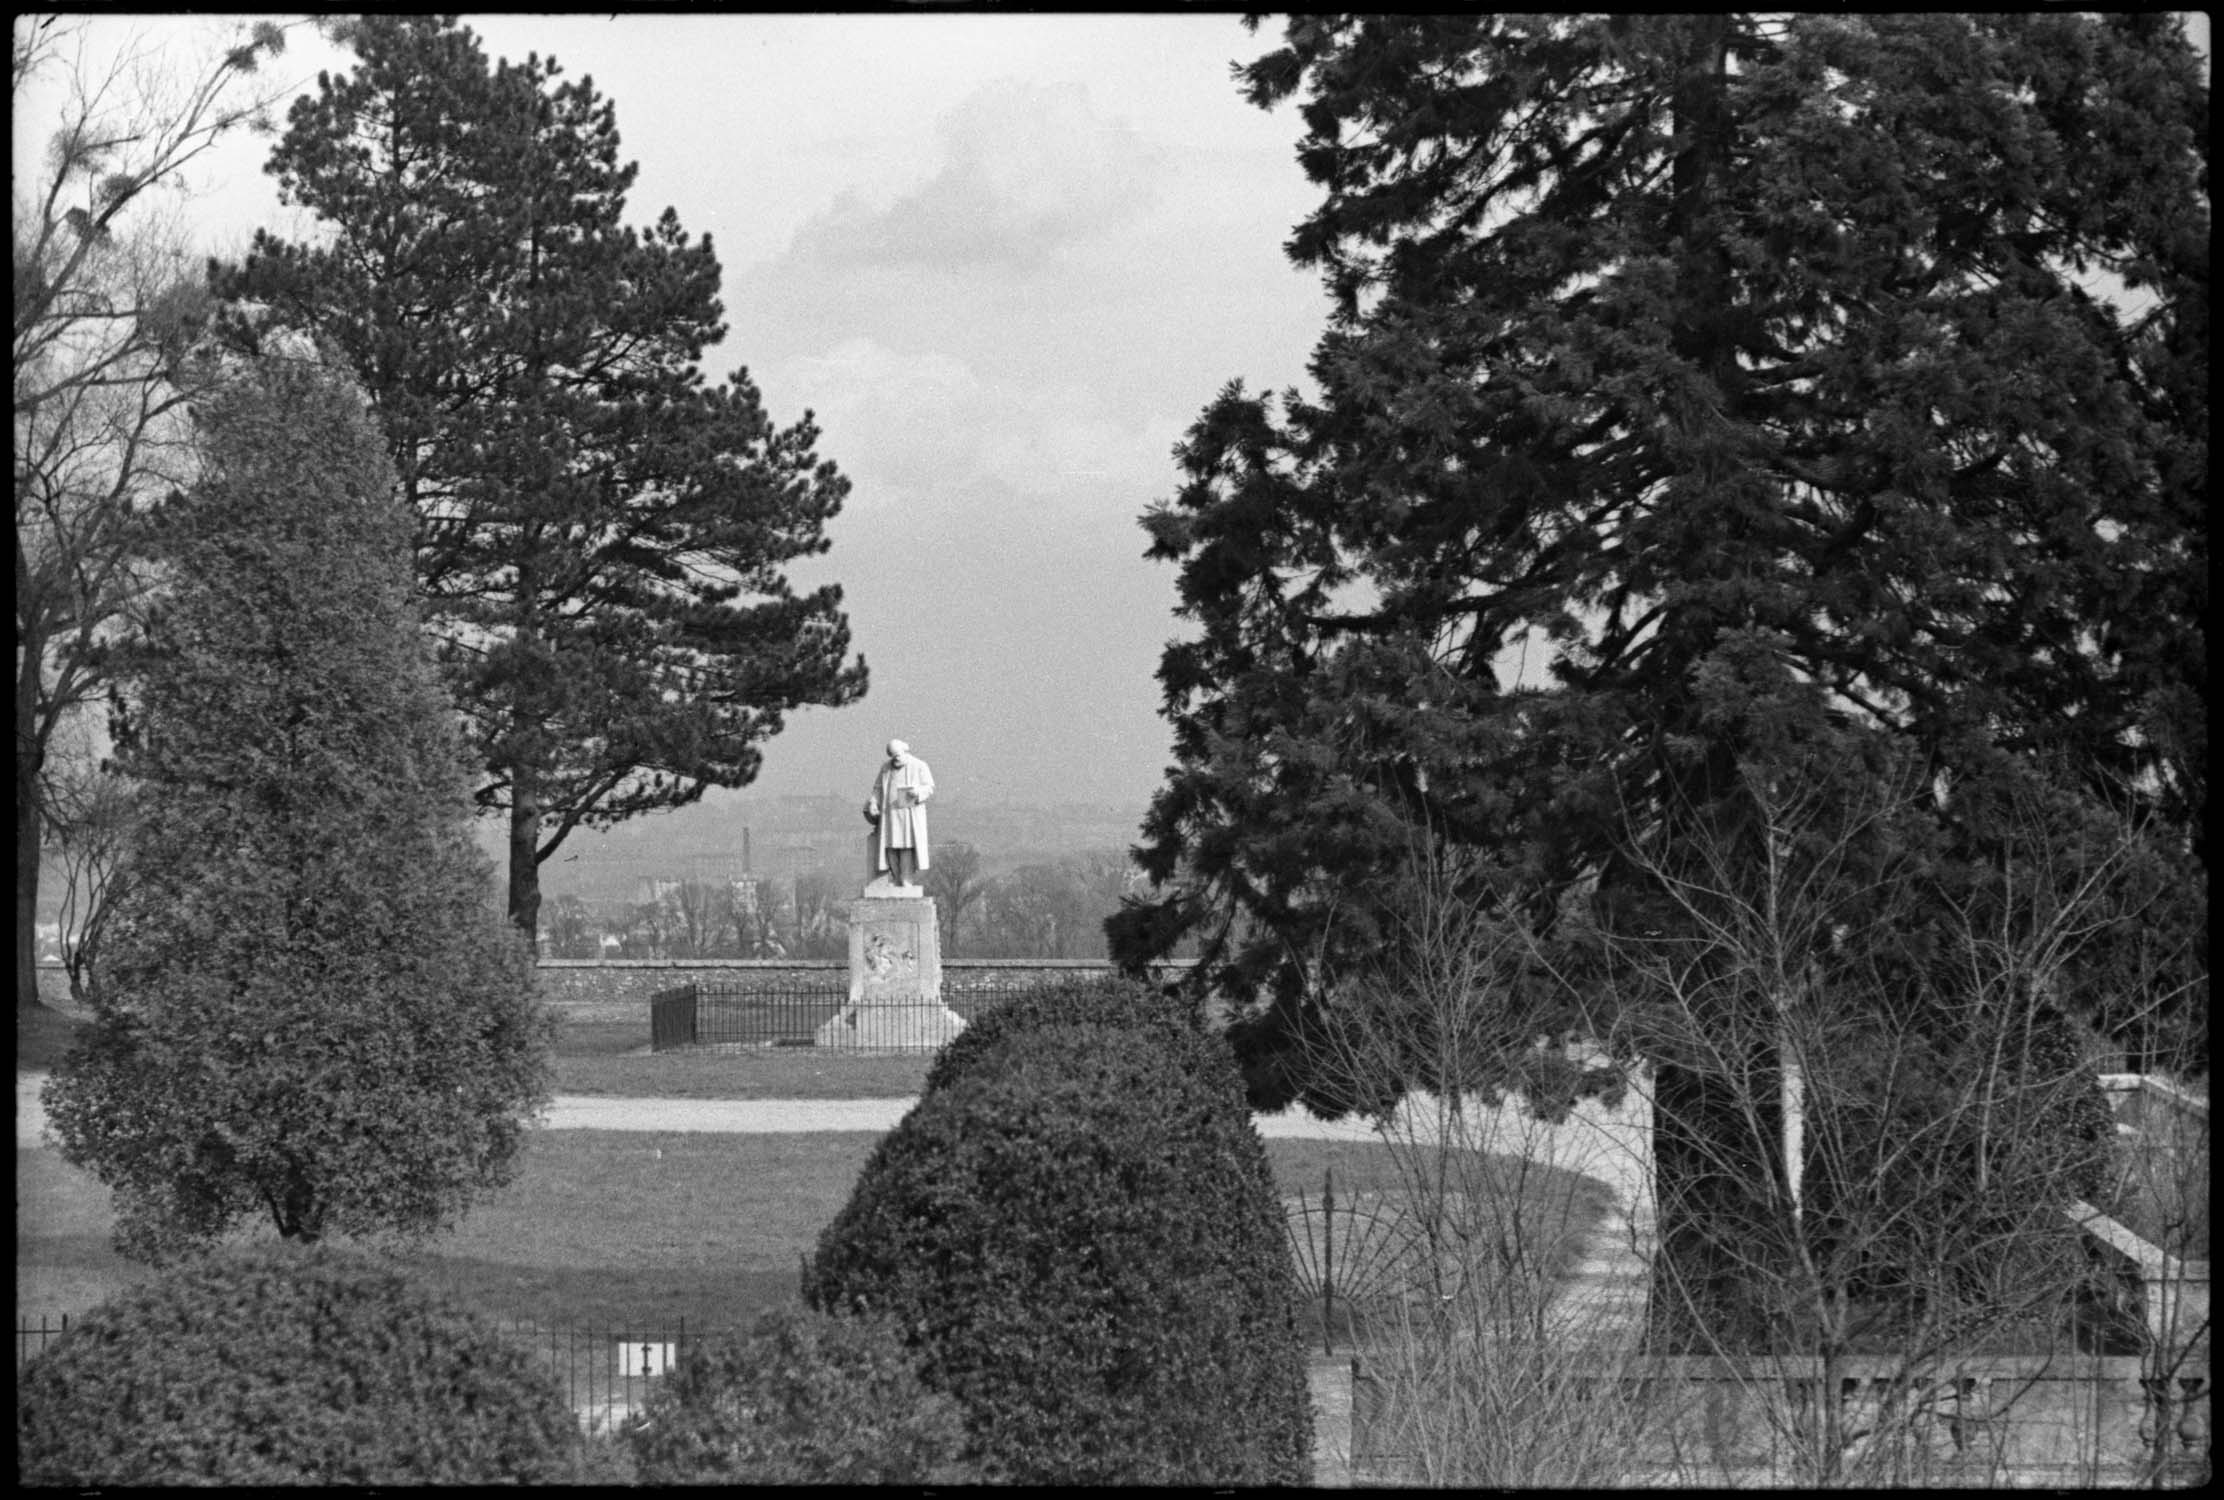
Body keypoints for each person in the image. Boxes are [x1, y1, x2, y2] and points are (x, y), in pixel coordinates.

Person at [864, 739, 933, 889]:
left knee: (906, 846)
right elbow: (877, 788)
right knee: (891, 847)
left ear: (904, 751)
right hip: (890, 815)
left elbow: (929, 787)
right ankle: (896, 878)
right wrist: (874, 802)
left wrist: (918, 792)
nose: (896, 759)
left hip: (909, 814)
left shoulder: (919, 765)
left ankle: (906, 879)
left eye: (898, 755)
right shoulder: (886, 768)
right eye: (893, 756)